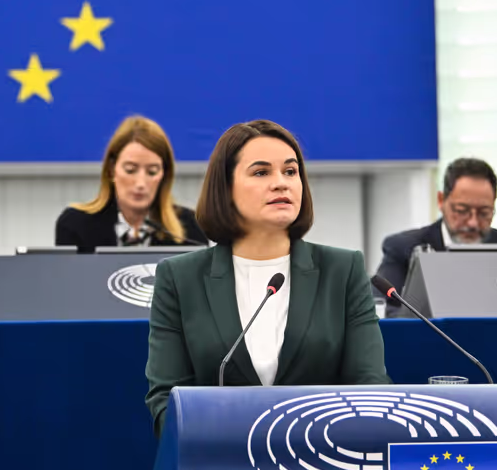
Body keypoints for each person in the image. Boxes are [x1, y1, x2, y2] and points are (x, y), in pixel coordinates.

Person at [144, 120, 390, 438]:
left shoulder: (342, 270)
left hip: (323, 468)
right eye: (261, 173)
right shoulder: (179, 278)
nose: (281, 183)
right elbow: (166, 402)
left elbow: (370, 387)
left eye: (290, 172)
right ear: (225, 188)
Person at [376, 157, 497, 316]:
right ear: (441, 201)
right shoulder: (403, 248)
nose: (473, 223)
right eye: (462, 210)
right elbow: (383, 310)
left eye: (484, 213)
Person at [55, 116, 208, 252]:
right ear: (111, 170)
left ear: (164, 176)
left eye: (152, 172)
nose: (141, 183)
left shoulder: (190, 229)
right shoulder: (75, 225)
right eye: (130, 170)